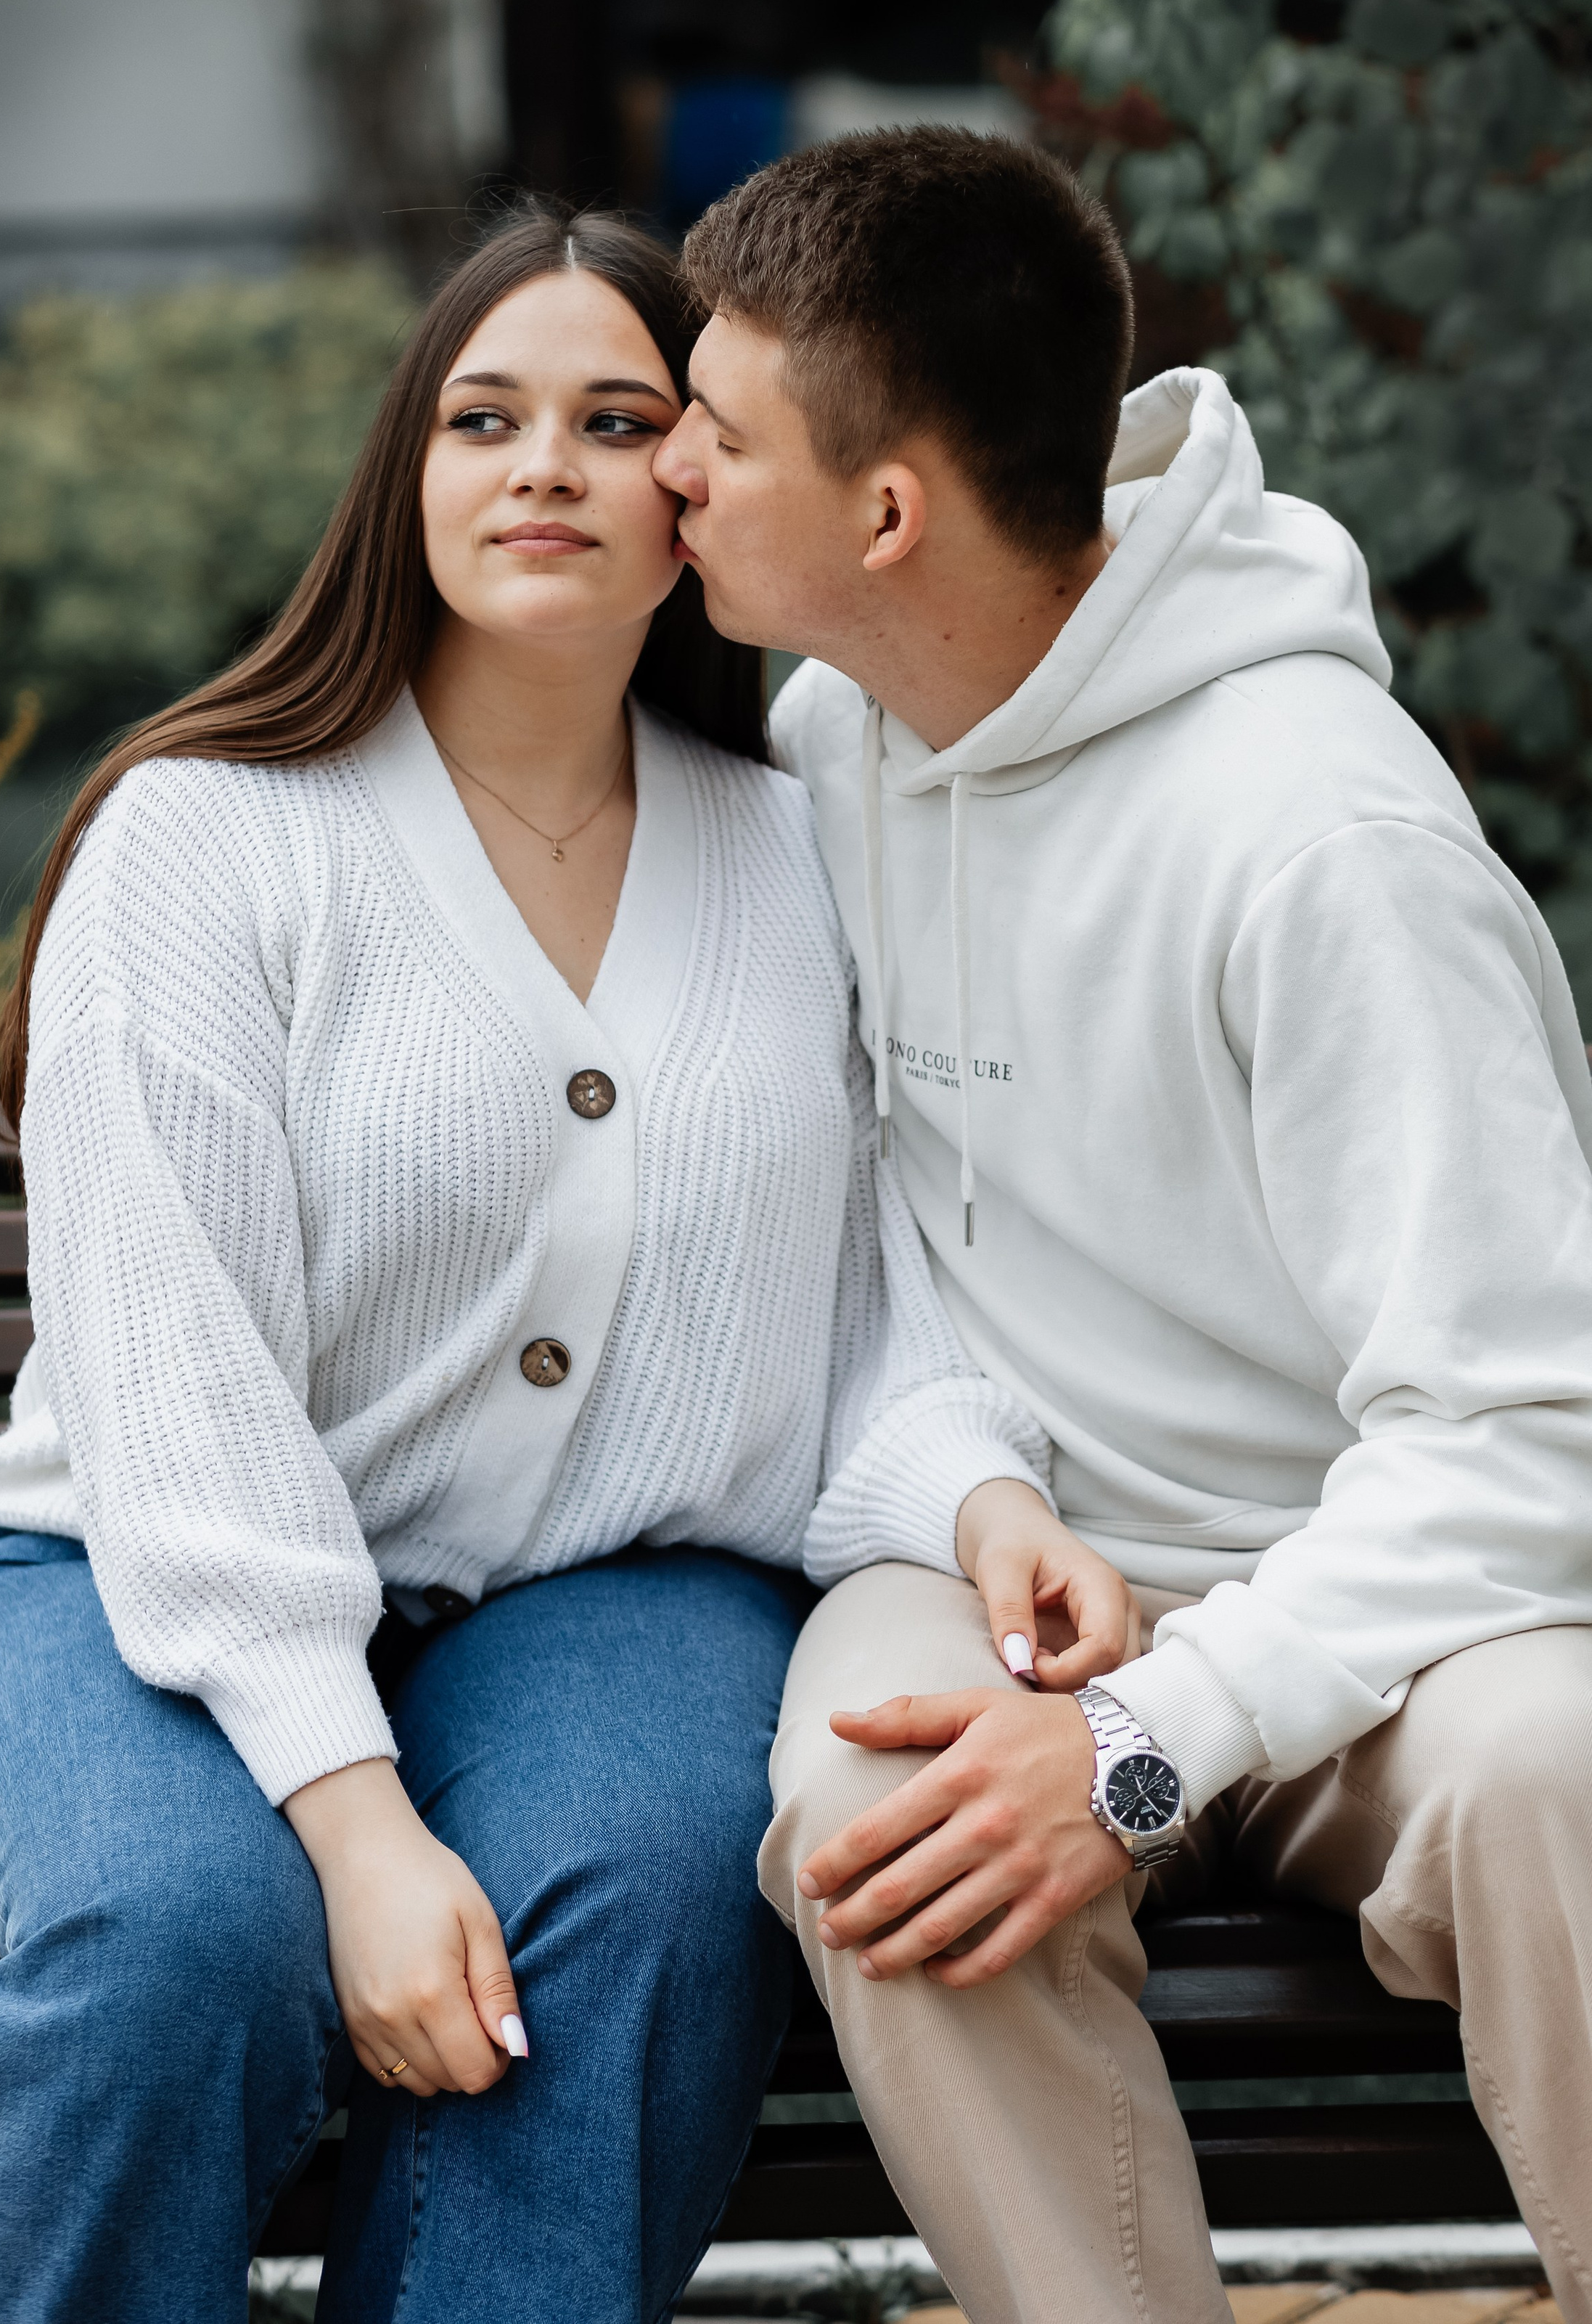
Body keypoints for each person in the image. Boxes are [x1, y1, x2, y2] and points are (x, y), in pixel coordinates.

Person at [0, 199, 1128, 2324]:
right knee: (188, 1946)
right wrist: (355, 1826)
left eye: (617, 416)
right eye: (484, 415)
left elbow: (855, 1320)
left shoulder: (795, 848)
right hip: (129, 1593)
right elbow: (170, 1395)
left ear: (702, 492)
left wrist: (982, 1501)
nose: (542, 463)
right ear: (411, 474)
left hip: (604, 1600)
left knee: (637, 1907)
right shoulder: (208, 838)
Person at [652, 127, 1592, 2324]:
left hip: (1390, 1608)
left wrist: (1165, 1737)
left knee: (1569, 1779)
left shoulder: (1320, 842)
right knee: (874, 1826)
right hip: (1025, 1571)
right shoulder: (840, 742)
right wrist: (981, 1500)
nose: (670, 469)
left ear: (886, 514)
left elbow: (1539, 1424)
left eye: (713, 428)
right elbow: (878, 1245)